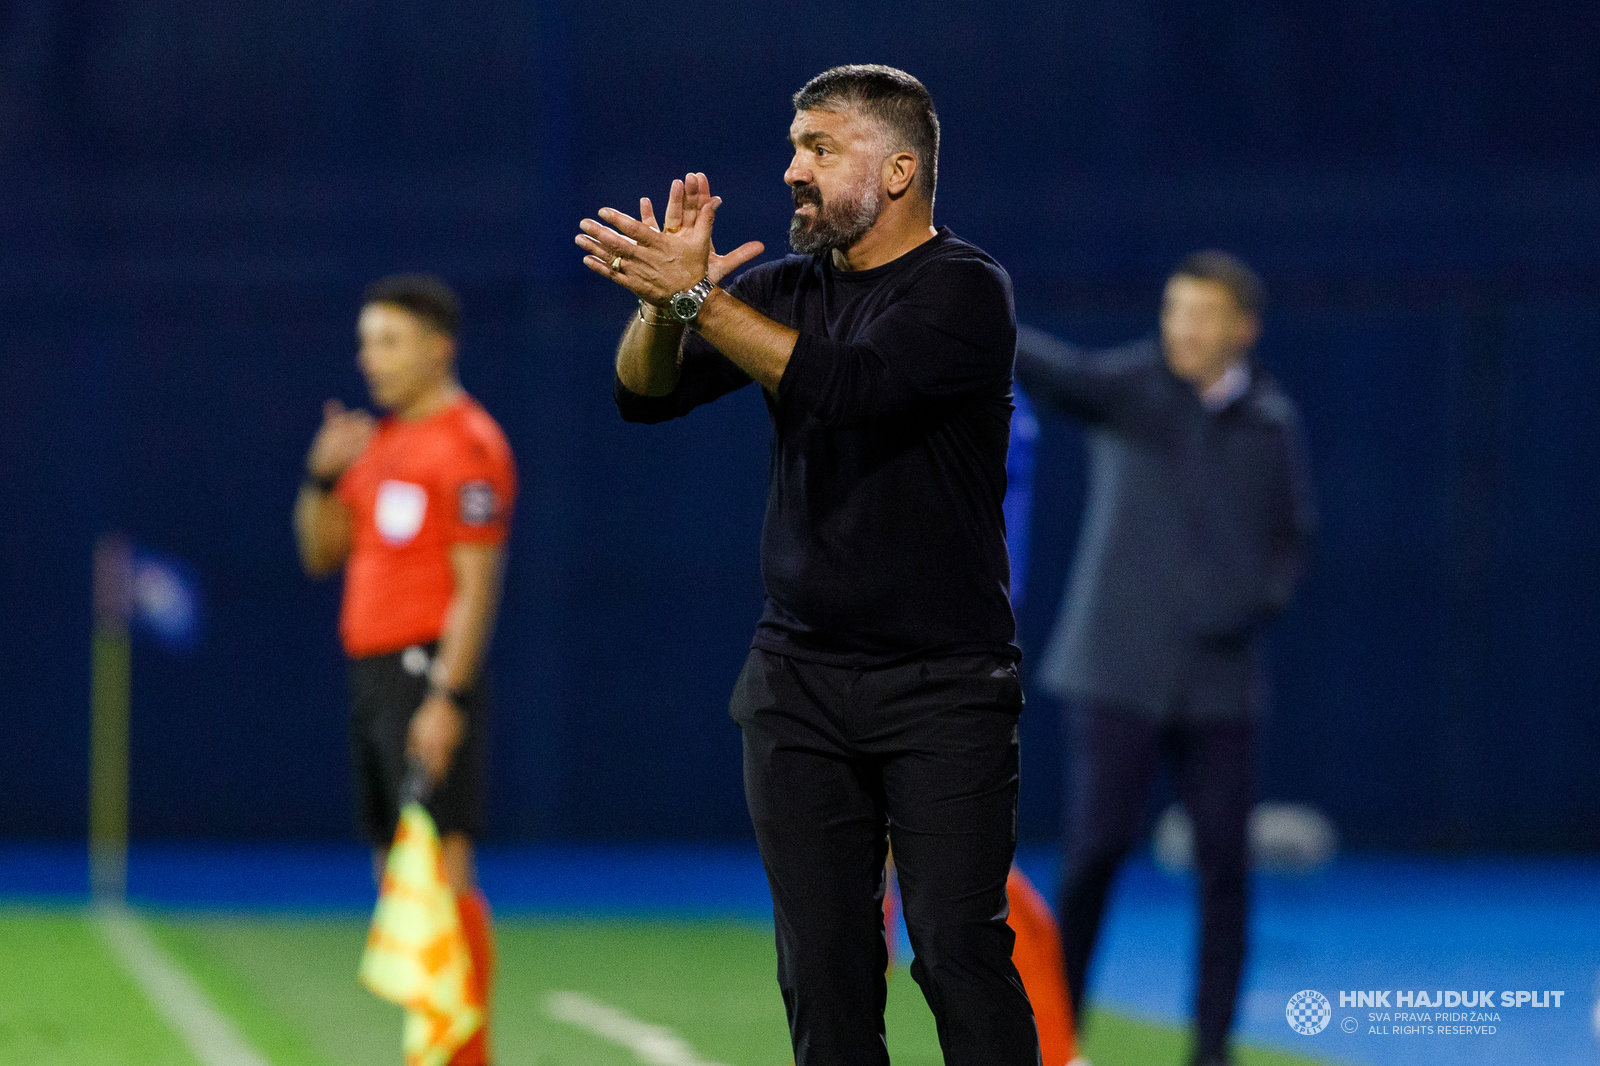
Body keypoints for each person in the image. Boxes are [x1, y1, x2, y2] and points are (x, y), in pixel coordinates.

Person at [574, 64, 1039, 1065]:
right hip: (799, 681)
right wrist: (665, 308)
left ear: (901, 169)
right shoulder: (785, 287)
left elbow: (852, 388)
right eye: (794, 146)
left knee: (957, 948)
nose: (792, 169)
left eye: (819, 148)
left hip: (943, 682)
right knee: (822, 967)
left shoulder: (966, 289)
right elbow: (642, 397)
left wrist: (699, 293)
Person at [1013, 251, 1317, 1066]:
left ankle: (1212, 1049)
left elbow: (1291, 539)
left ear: (1241, 329)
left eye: (1201, 313)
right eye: (1174, 310)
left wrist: (1253, 602)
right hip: (1115, 673)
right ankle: (1058, 1037)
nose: (1182, 327)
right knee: (1094, 858)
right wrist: (962, 300)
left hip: (1221, 685)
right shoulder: (1133, 389)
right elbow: (1052, 369)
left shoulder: (1272, 424)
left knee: (1226, 869)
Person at [293, 274, 515, 1066]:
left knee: (443, 867)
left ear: (437, 347)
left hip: (427, 672)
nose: (369, 358)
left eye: (387, 341)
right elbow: (320, 552)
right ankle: (432, 1046)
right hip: (372, 678)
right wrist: (322, 477)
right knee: (400, 877)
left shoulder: (470, 444)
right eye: (364, 342)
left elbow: (476, 587)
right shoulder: (378, 443)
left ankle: (464, 1054)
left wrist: (447, 698)